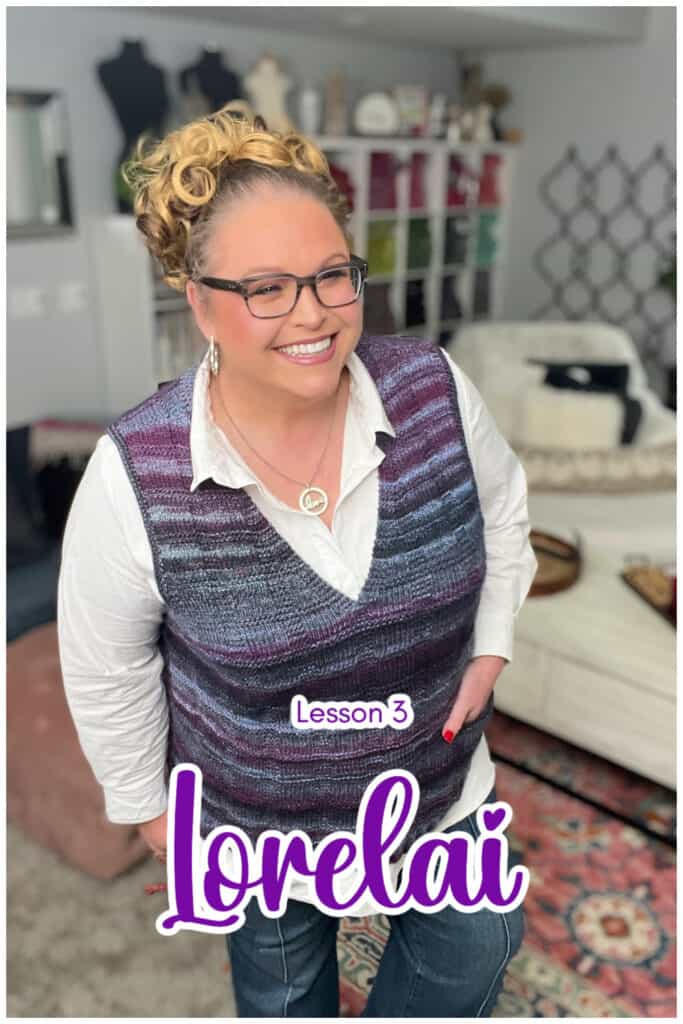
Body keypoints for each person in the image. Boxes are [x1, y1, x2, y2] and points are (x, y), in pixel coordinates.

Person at [57, 108, 538, 1017]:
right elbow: (104, 665)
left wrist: (491, 642)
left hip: (432, 790)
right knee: (284, 996)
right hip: (257, 821)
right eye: (266, 288)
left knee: (479, 936)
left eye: (330, 276)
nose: (313, 314)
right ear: (196, 298)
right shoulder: (136, 473)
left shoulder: (432, 387)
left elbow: (503, 510)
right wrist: (154, 814)